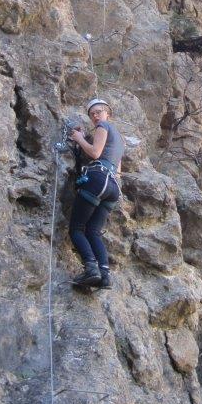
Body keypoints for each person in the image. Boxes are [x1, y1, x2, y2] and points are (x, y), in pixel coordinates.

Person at [68, 98, 124, 289]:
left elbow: (94, 152)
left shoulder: (103, 125)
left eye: (98, 111)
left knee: (76, 228)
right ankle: (105, 275)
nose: (95, 116)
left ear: (108, 113)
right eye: (92, 113)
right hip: (113, 187)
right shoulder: (120, 141)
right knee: (93, 231)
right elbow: (118, 170)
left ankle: (91, 269)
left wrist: (78, 138)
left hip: (98, 179)